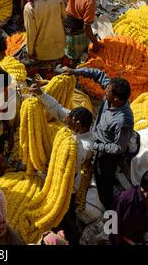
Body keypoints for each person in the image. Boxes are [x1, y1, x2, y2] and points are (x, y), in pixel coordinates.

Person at [57, 65, 134, 210]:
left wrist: (96, 146)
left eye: (108, 91)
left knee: (104, 184)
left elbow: (118, 148)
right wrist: (75, 71)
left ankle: (110, 212)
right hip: (96, 137)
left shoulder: (122, 120)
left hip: (106, 155)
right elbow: (98, 74)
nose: (105, 91)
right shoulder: (111, 94)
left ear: (117, 99)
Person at [30, 80, 93, 244]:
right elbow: (58, 109)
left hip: (68, 186)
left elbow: (69, 161)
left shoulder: (85, 146)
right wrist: (40, 94)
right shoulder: (75, 129)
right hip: (55, 177)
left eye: (69, 120)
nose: (66, 120)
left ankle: (71, 238)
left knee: (65, 212)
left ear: (77, 125)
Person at [17, 0, 66, 66]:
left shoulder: (29, 8)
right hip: (59, 48)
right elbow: (64, 15)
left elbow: (31, 35)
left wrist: (29, 53)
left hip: (42, 53)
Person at [64, 0, 110, 65]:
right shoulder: (90, 1)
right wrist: (95, 43)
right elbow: (87, 27)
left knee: (67, 47)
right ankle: (73, 66)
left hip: (65, 20)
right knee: (76, 53)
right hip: (76, 28)